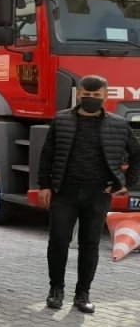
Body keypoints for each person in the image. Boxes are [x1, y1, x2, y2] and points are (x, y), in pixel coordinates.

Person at [38, 75, 140, 314]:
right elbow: (47, 154)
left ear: (105, 96)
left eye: (96, 95)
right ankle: (56, 290)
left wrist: (124, 183)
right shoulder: (61, 120)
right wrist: (44, 185)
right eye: (86, 93)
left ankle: (82, 294)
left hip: (98, 193)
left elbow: (137, 155)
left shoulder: (118, 124)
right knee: (58, 241)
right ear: (78, 94)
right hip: (64, 191)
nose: (90, 98)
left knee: (90, 244)